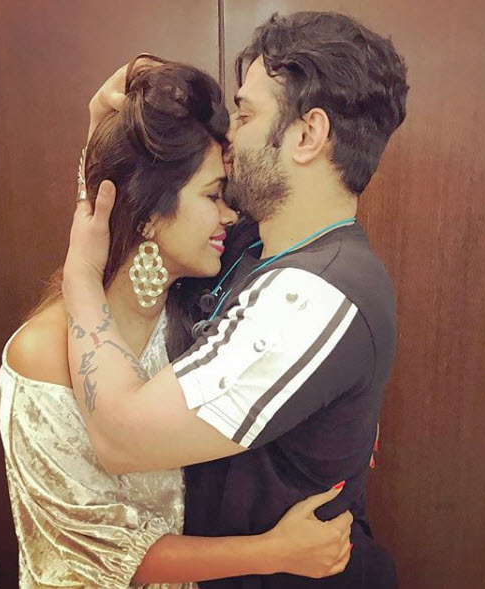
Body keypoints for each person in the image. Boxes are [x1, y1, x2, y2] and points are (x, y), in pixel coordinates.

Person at [61, 10, 409, 589]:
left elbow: (121, 436)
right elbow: (149, 215)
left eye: (246, 115)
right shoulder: (251, 240)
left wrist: (79, 279)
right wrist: (103, 133)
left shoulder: (316, 297)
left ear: (307, 135)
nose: (229, 140)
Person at [0, 56, 353, 588]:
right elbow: (103, 551)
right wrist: (273, 552)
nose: (230, 215)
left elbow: (120, 192)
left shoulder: (190, 309)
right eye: (212, 196)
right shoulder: (41, 358)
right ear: (148, 213)